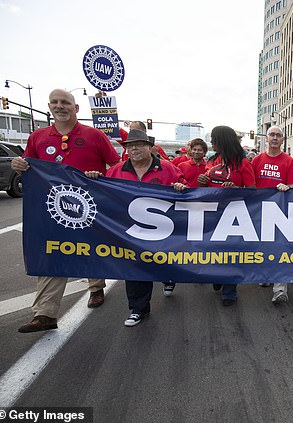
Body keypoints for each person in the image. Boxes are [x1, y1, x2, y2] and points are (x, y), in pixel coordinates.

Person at [10, 89, 121, 333]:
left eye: (65, 102)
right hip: (52, 208)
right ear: (49, 106)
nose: (60, 106)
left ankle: (96, 287)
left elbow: (117, 166)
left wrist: (101, 177)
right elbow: (28, 166)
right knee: (52, 252)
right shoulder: (37, 137)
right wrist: (18, 165)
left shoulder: (95, 136)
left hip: (90, 207)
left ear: (76, 108)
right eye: (55, 102)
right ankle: (45, 314)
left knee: (92, 249)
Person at [86, 129, 188, 326]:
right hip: (130, 232)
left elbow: (186, 189)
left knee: (164, 264)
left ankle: (168, 277)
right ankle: (138, 308)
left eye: (139, 145)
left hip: (163, 231)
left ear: (150, 147)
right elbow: (103, 195)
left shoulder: (168, 169)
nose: (134, 149)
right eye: (130, 146)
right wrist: (94, 179)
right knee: (134, 267)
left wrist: (180, 187)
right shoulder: (115, 171)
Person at [197, 126, 256, 306]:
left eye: (214, 139)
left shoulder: (244, 163)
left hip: (234, 215)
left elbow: (253, 191)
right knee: (214, 251)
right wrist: (202, 181)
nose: (212, 142)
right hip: (212, 214)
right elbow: (205, 184)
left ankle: (229, 292)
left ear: (222, 141)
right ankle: (217, 277)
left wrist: (237, 189)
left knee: (232, 254)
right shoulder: (212, 160)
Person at [251, 125, 293, 303]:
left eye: (279, 135)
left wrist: (287, 187)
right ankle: (266, 275)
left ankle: (280, 289)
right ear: (266, 138)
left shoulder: (289, 161)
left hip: (280, 213)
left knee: (280, 248)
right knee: (263, 247)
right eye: (272, 134)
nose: (275, 138)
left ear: (283, 140)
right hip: (259, 212)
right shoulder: (256, 160)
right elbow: (250, 185)